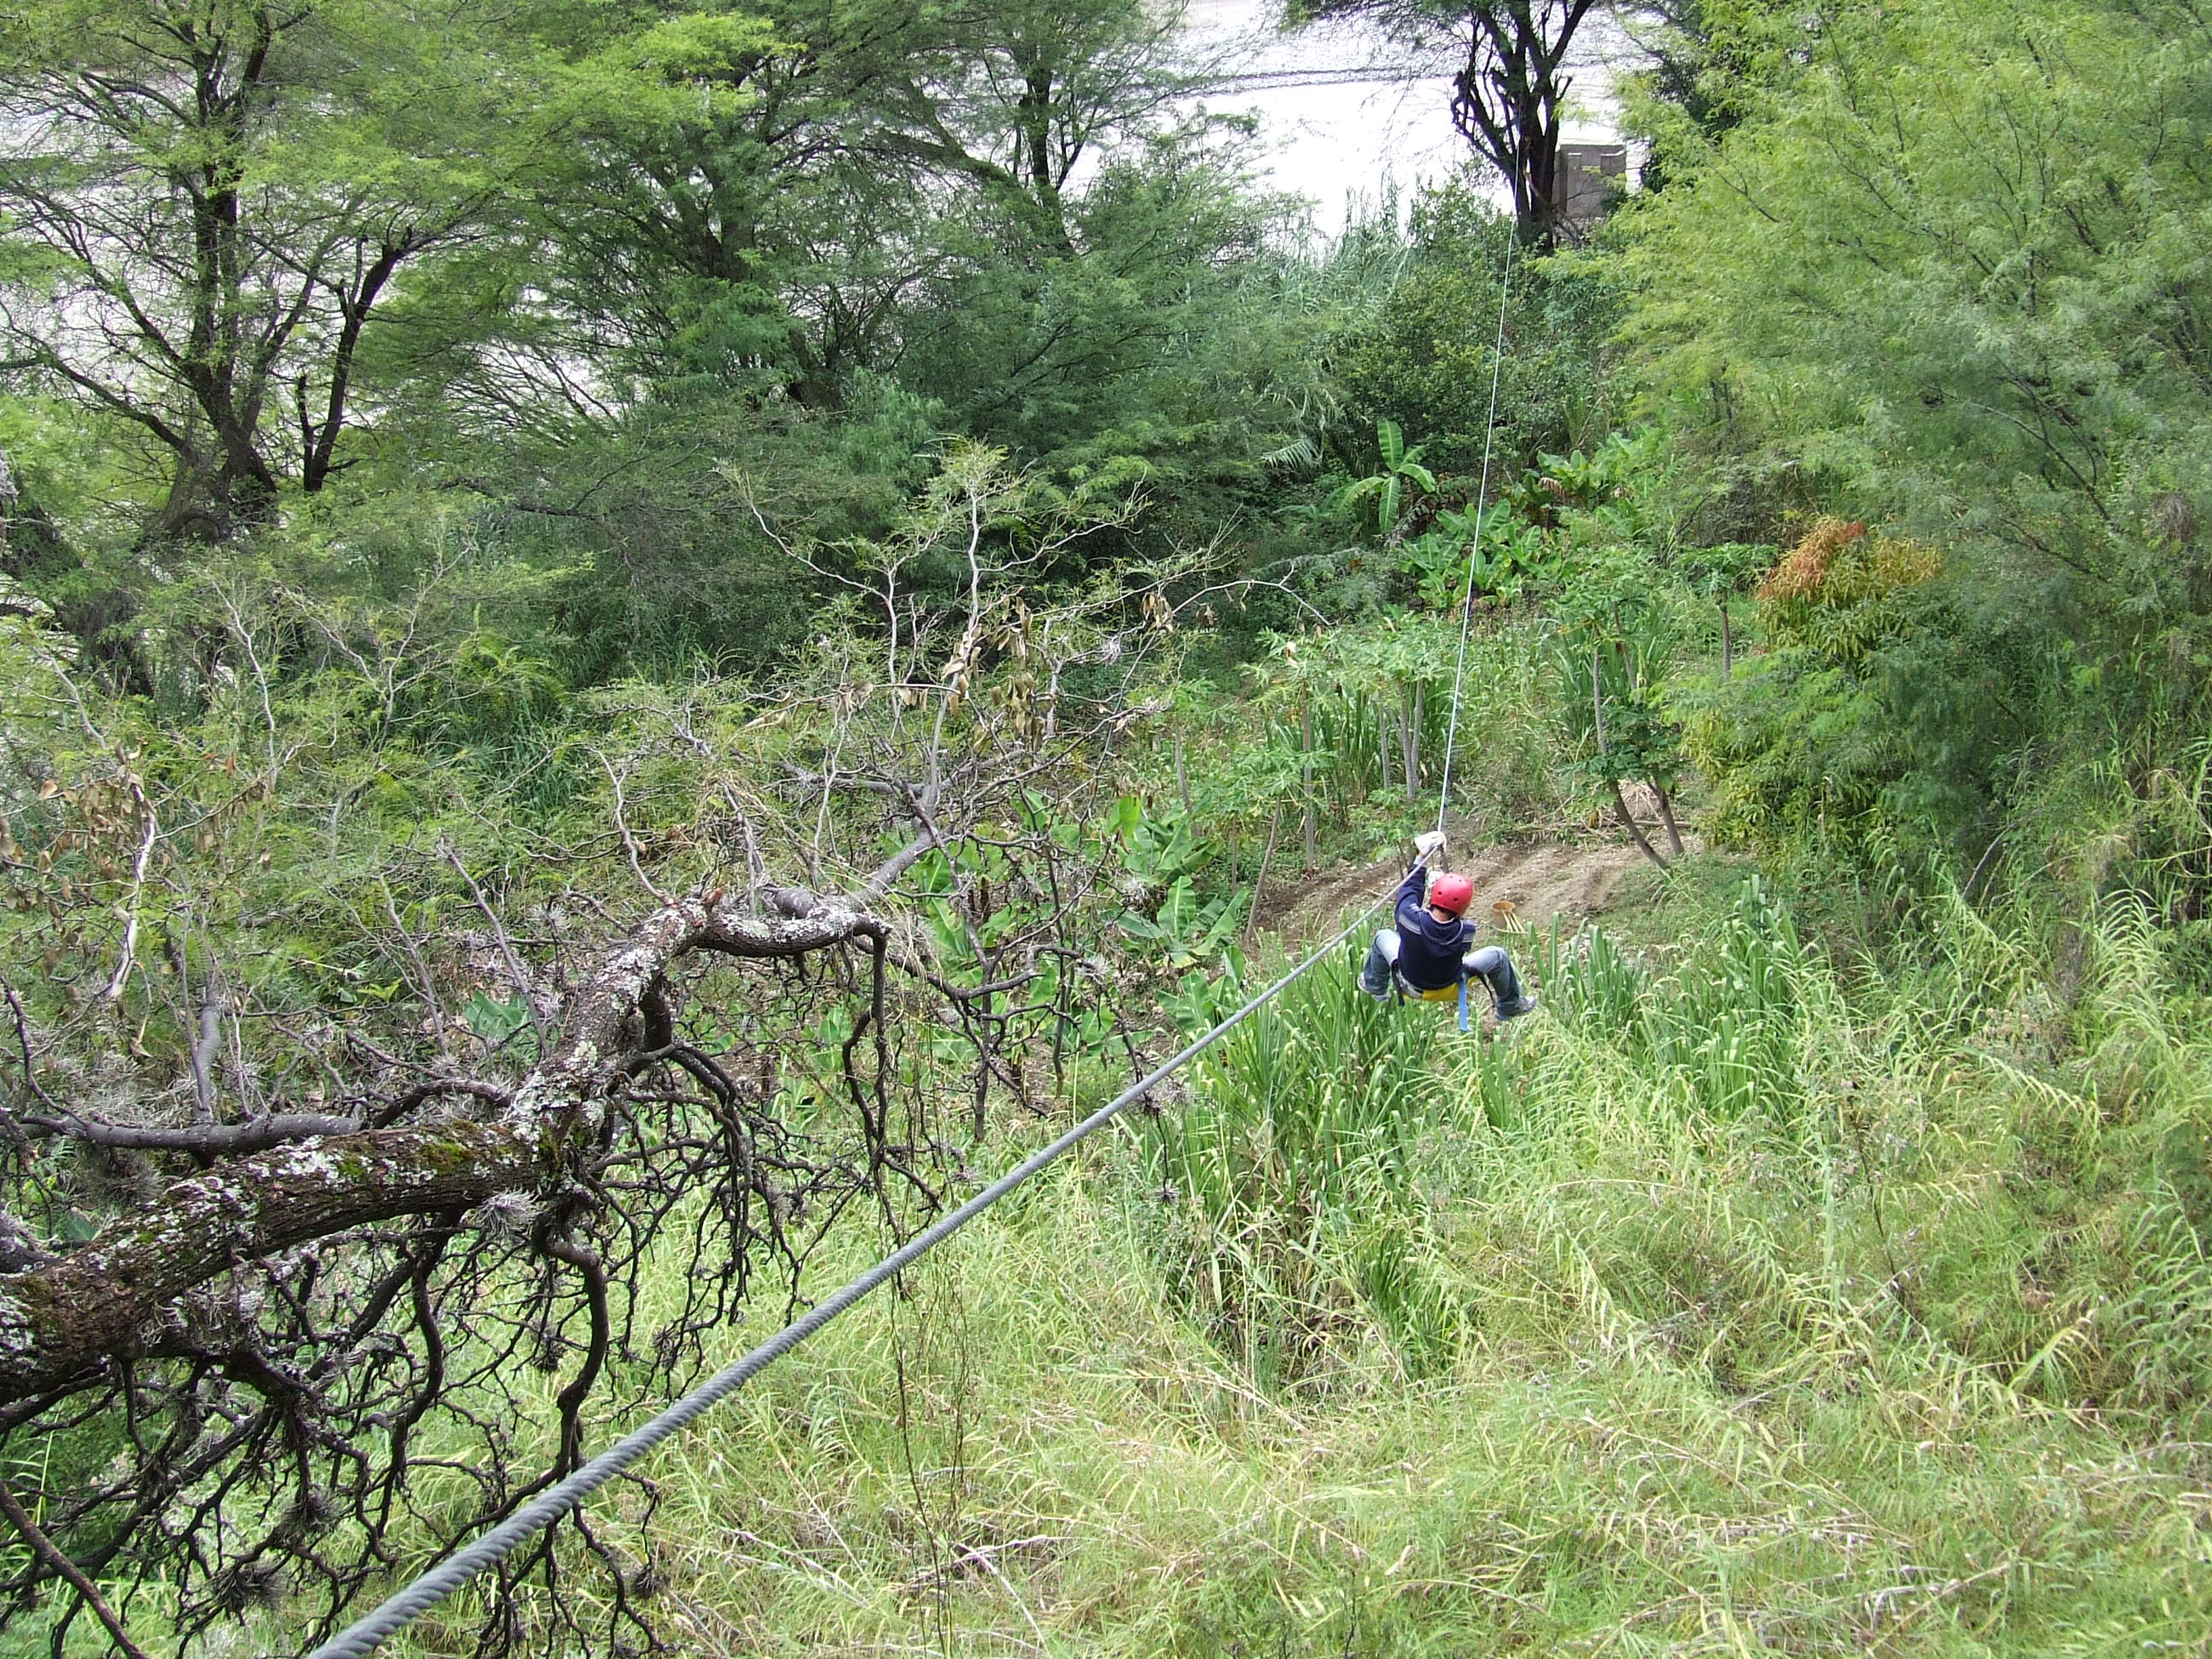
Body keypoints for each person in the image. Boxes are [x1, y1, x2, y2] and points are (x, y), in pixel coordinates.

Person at [1359, 830, 1536, 1019]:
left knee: (1383, 936)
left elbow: (1409, 891)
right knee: (1498, 956)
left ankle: (1375, 985)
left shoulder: (1409, 919)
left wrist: (1422, 857)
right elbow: (1447, 922)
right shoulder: (1467, 931)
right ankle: (1510, 1005)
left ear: (1435, 896)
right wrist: (1444, 877)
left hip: (1410, 984)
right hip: (1449, 985)